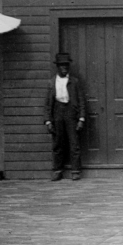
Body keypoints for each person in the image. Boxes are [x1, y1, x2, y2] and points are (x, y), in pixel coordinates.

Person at [43, 52, 86, 181]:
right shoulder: (51, 83)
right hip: (57, 113)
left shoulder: (74, 82)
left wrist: (81, 118)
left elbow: (81, 100)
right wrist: (48, 121)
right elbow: (47, 104)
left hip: (71, 113)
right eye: (61, 65)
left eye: (66, 65)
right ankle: (57, 171)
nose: (64, 68)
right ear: (57, 67)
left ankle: (75, 170)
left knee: (74, 143)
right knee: (58, 143)